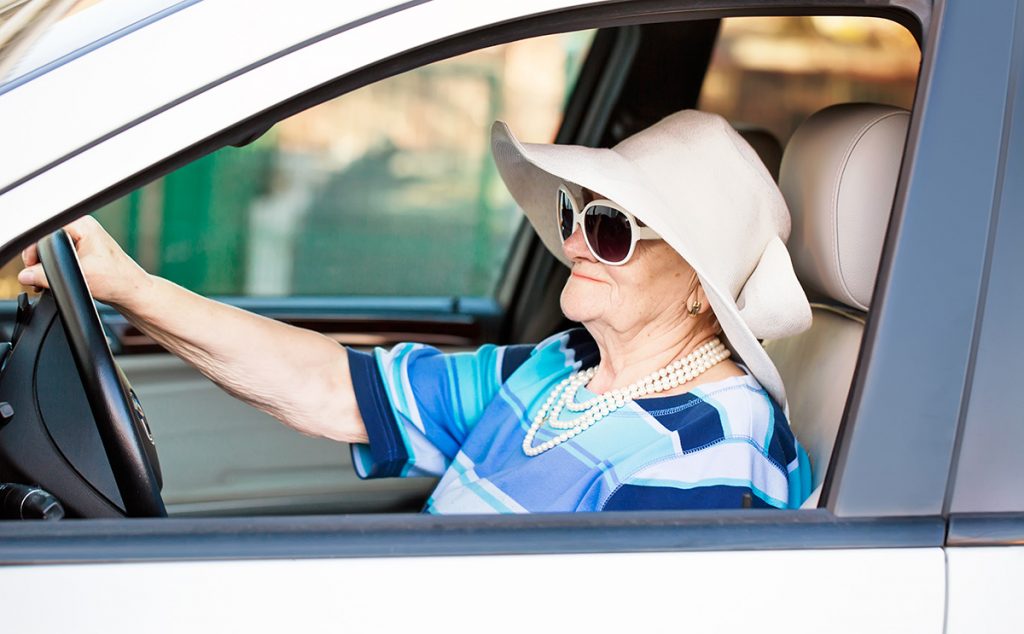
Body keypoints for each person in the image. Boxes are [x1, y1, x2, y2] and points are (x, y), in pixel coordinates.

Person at [19, 110, 813, 513]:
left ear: (698, 288)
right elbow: (333, 387)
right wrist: (129, 286)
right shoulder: (559, 370)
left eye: (610, 229)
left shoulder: (709, 453)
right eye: (576, 213)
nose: (573, 241)